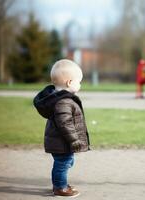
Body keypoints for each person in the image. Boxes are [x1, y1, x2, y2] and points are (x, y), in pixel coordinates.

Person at [34, 59, 90, 197]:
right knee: (63, 163)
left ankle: (60, 183)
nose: (80, 85)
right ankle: (60, 187)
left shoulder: (60, 99)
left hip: (60, 141)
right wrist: (74, 140)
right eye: (79, 81)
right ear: (69, 82)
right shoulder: (63, 101)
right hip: (62, 141)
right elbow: (65, 124)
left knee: (66, 162)